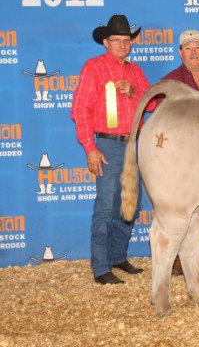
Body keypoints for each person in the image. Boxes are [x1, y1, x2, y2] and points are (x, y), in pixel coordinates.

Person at [72, 14, 154, 285]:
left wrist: (134, 93)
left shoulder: (136, 71)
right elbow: (80, 110)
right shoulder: (93, 68)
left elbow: (152, 105)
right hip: (107, 143)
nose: (122, 45)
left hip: (134, 144)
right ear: (106, 42)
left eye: (126, 40)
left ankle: (118, 256)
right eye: (117, 40)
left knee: (131, 204)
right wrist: (90, 148)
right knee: (106, 206)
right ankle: (100, 266)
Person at [161, 29, 199, 274]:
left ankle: (195, 254)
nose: (193, 52)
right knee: (181, 208)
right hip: (182, 156)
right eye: (188, 48)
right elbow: (160, 117)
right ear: (180, 52)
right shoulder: (171, 81)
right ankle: (175, 257)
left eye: (197, 47)